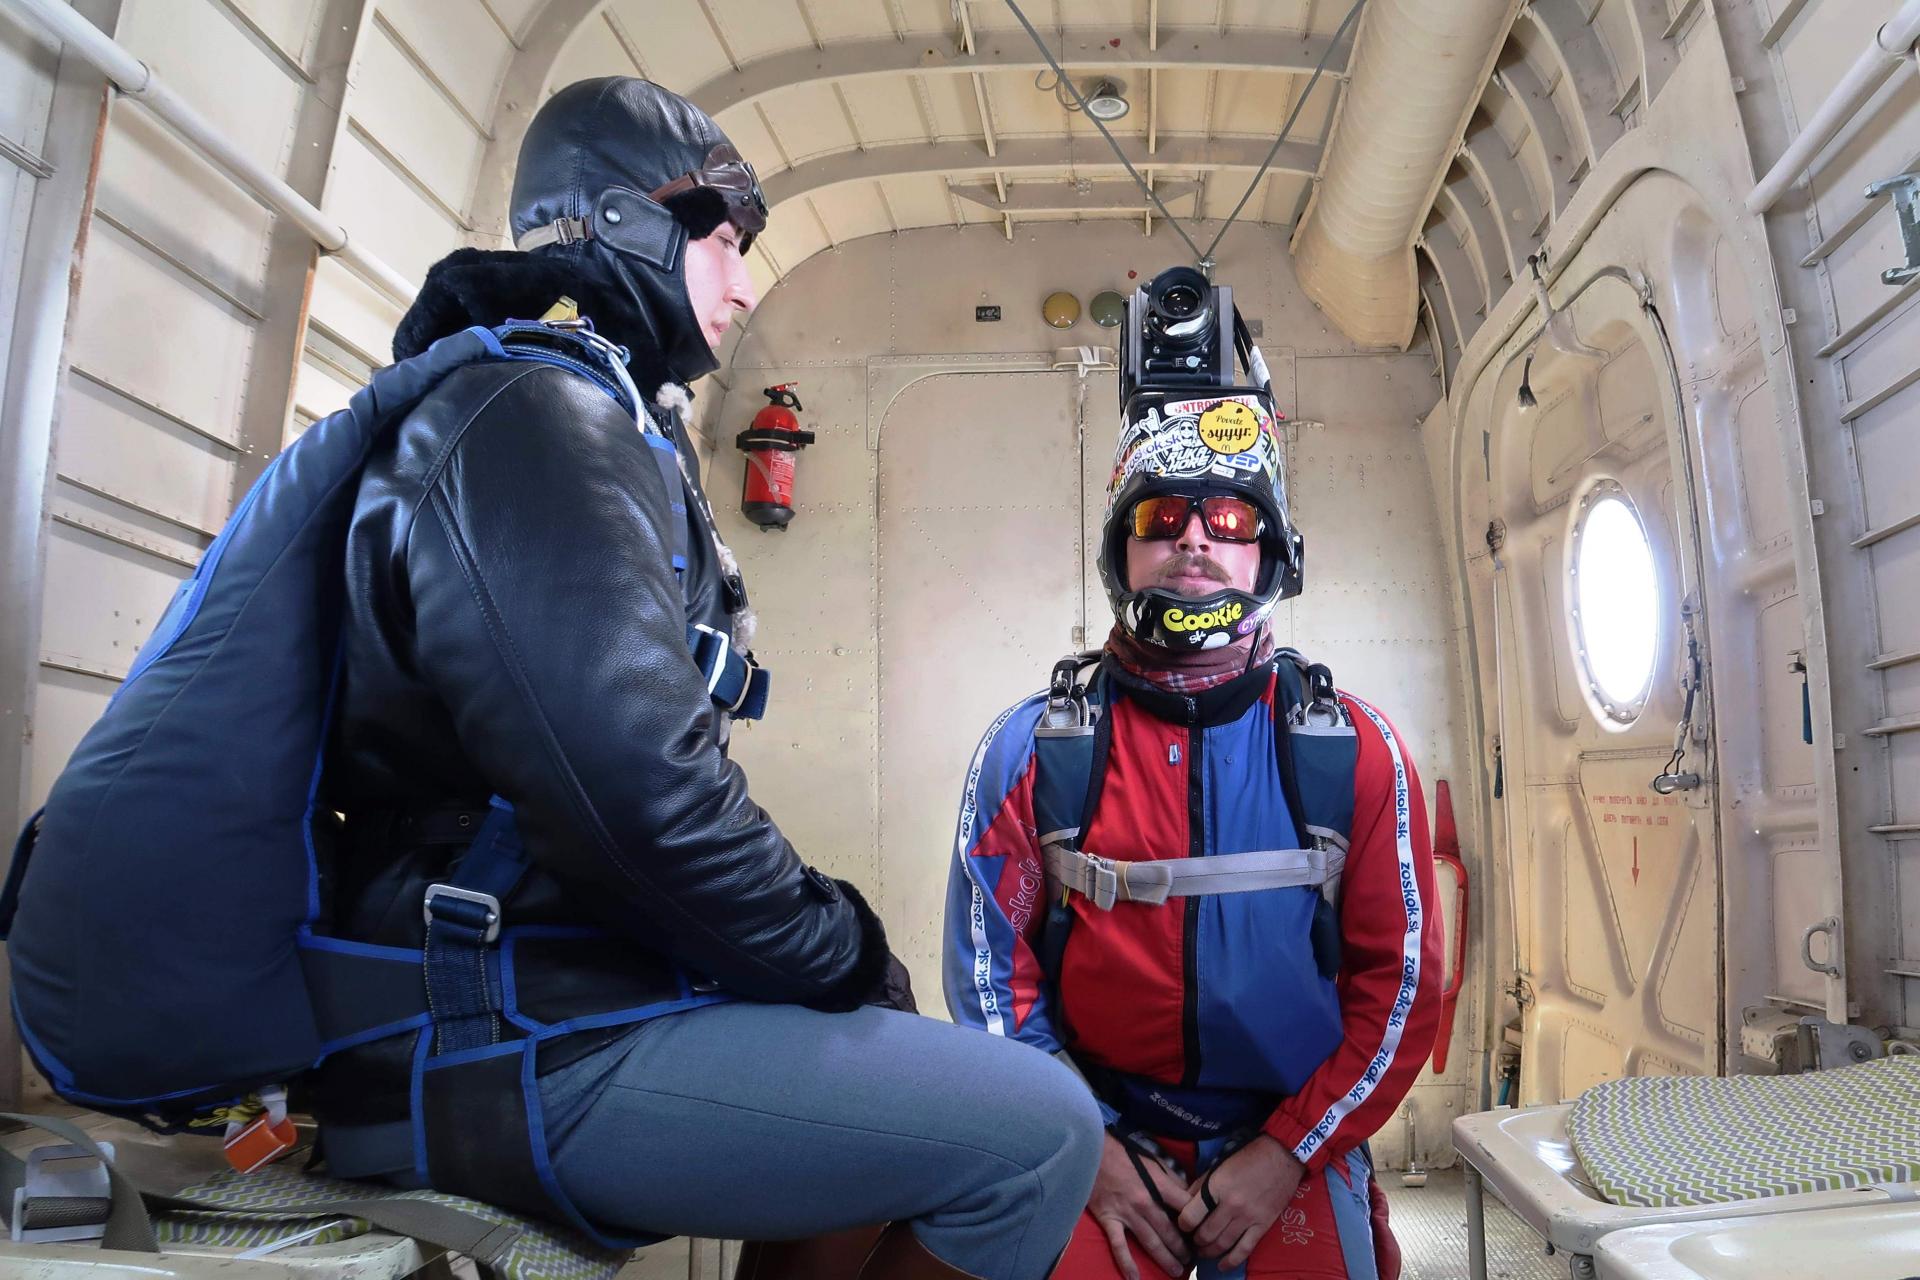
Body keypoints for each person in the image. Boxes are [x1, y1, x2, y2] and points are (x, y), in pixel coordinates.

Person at [315, 77, 1101, 1279]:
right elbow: (633, 796)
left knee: (883, 1052)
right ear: (623, 219)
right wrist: (837, 943)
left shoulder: (549, 410)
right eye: (726, 243)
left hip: (523, 991)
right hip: (491, 1033)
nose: (740, 285)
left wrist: (841, 974)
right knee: (1042, 1132)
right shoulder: (540, 417)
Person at [944, 391, 1443, 1280]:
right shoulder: (1028, 749)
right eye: (1161, 514)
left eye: (1229, 516)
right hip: (1093, 1133)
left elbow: (1401, 987)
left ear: (1272, 551)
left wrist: (1291, 1150)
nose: (1194, 538)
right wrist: (1087, 1148)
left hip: (1289, 1142)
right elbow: (990, 983)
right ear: (1120, 551)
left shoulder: (1357, 751)